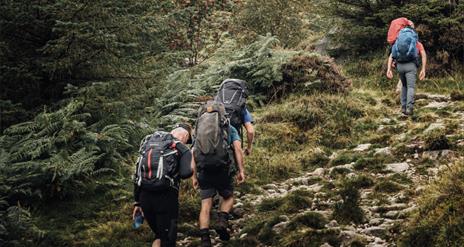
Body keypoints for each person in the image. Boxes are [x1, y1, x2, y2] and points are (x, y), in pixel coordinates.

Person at [132, 123, 194, 247]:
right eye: (188, 140)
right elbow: (186, 173)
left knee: (159, 235)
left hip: (144, 198)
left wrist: (137, 203)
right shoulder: (181, 148)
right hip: (166, 199)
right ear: (186, 135)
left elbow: (137, 175)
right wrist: (190, 159)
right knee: (167, 240)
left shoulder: (149, 143)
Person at [191, 124, 245, 247]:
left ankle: (205, 239)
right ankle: (222, 220)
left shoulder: (199, 130)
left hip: (204, 171)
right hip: (223, 171)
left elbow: (193, 153)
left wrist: (194, 177)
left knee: (205, 205)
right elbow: (237, 149)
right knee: (228, 197)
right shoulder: (229, 128)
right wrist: (241, 170)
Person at [386, 21, 427, 116]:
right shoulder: (416, 41)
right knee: (411, 87)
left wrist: (389, 69)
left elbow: (391, 55)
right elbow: (423, 55)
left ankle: (403, 107)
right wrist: (423, 69)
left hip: (400, 66)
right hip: (411, 66)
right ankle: (409, 108)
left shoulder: (398, 40)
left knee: (404, 86)